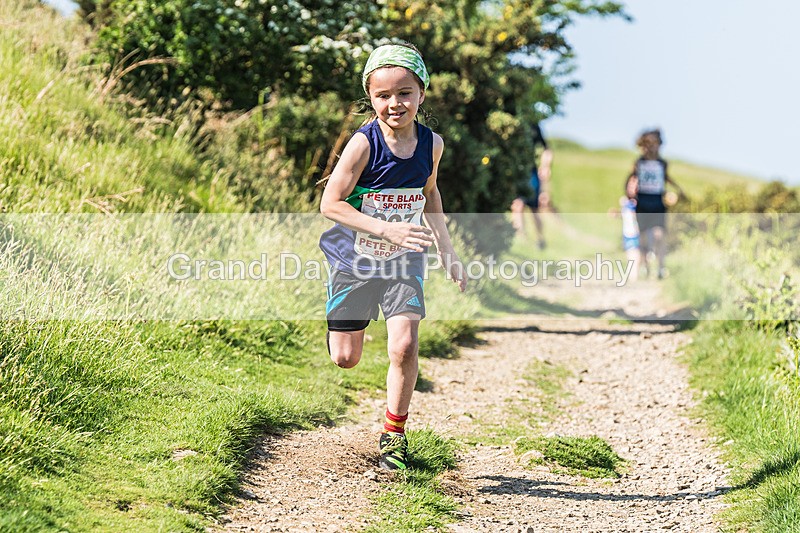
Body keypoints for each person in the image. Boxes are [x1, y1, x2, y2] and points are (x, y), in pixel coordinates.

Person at [319, 43, 466, 471]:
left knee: (403, 345)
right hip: (354, 259)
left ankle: (394, 436)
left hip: (405, 257)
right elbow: (330, 203)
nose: (394, 103)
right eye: (383, 95)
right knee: (345, 358)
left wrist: (447, 249)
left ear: (422, 94)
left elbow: (429, 192)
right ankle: (344, 318)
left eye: (404, 93)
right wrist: (385, 228)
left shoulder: (431, 144)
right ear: (371, 97)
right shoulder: (363, 145)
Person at [630, 129, 684, 279]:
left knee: (659, 235)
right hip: (642, 203)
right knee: (643, 237)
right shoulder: (639, 163)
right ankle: (645, 266)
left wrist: (678, 190)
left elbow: (666, 178)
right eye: (648, 143)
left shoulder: (662, 164)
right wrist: (630, 192)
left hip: (658, 204)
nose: (652, 146)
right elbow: (631, 180)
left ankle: (661, 267)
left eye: (655, 143)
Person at [511, 122, 553, 249]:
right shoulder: (514, 121)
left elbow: (546, 149)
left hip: (531, 173)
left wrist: (545, 166)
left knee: (534, 209)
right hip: (515, 171)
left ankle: (540, 239)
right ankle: (522, 239)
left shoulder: (534, 126)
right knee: (518, 205)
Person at [620, 174, 641, 282]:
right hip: (627, 233)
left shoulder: (639, 202)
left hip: (638, 233)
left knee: (636, 255)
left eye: (636, 186)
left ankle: (634, 278)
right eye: (631, 185)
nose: (633, 188)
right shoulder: (624, 201)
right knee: (631, 255)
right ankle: (632, 277)